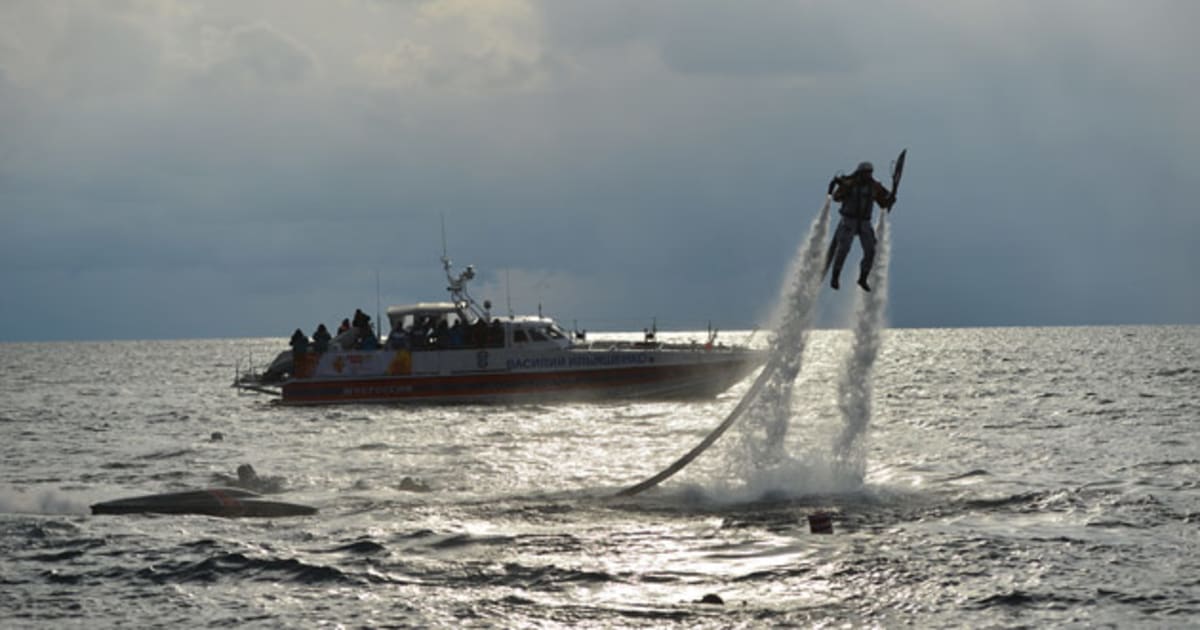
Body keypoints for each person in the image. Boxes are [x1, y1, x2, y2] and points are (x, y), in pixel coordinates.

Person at [824, 160, 895, 291]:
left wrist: (891, 197)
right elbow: (836, 197)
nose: (868, 176)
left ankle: (863, 277)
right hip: (848, 221)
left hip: (864, 223)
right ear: (860, 173)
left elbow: (884, 203)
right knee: (843, 249)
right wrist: (842, 187)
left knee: (871, 250)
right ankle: (835, 276)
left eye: (870, 173)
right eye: (866, 173)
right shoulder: (849, 184)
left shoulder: (875, 187)